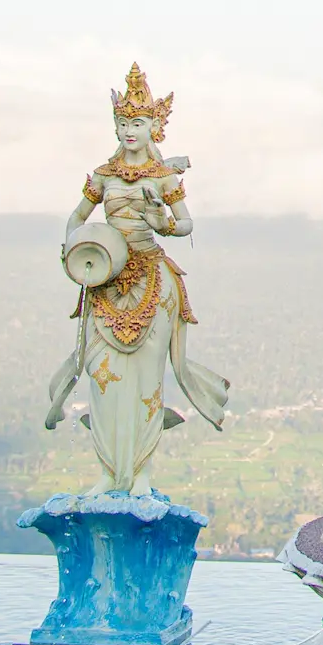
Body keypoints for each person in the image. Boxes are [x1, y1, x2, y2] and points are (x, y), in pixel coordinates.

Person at [44, 63, 229, 496]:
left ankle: (140, 472)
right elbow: (77, 216)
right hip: (105, 278)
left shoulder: (164, 178)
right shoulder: (104, 176)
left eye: (139, 122)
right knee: (102, 376)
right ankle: (109, 471)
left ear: (155, 127)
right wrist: (72, 247)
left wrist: (159, 221)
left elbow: (186, 225)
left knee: (148, 379)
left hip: (151, 278)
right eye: (124, 122)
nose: (130, 130)